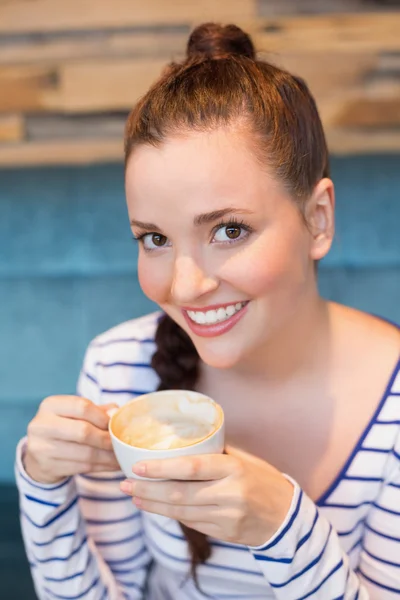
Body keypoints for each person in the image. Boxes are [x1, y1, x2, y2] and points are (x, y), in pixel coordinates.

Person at [16, 22, 400, 600]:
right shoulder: (119, 370)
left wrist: (284, 528)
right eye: (154, 239)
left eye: (228, 229)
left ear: (317, 218)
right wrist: (43, 485)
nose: (186, 286)